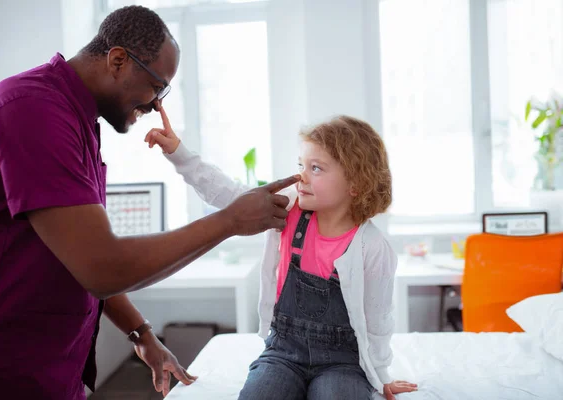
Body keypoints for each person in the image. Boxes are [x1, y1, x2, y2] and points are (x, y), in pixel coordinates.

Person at [0, 5, 299, 399]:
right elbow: (102, 267)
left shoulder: (77, 120)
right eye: (157, 87)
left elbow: (70, 254)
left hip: (53, 367)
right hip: (2, 367)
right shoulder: (31, 110)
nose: (157, 105)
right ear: (118, 60)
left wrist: (140, 332)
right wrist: (229, 222)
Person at [145, 107, 418, 400]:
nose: (301, 175)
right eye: (301, 164)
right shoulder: (287, 207)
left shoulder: (373, 247)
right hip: (283, 353)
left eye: (316, 168)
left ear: (355, 183)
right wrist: (179, 153)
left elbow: (378, 321)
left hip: (343, 362)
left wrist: (381, 377)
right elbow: (230, 196)